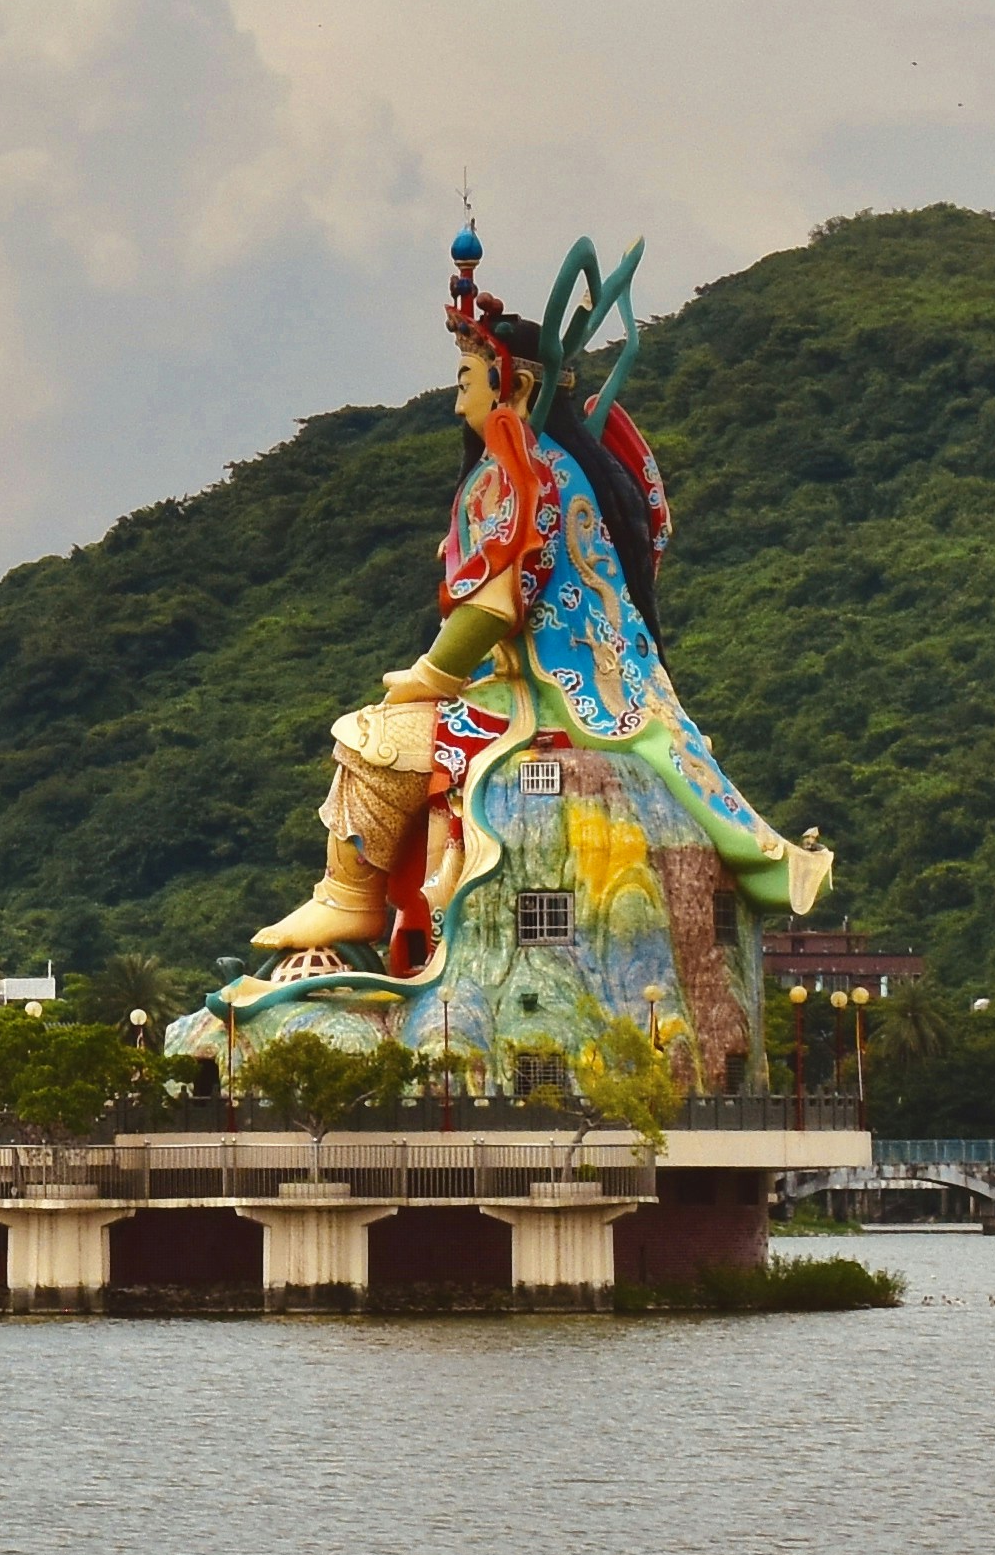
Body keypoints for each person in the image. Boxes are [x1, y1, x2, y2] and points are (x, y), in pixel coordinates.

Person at [243, 225, 829, 1016]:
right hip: (601, 687)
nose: (457, 399)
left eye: (465, 379)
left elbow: (495, 602)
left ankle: (351, 896)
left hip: (543, 692)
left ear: (508, 386)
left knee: (372, 739)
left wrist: (426, 678)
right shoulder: (568, 467)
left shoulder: (520, 474)